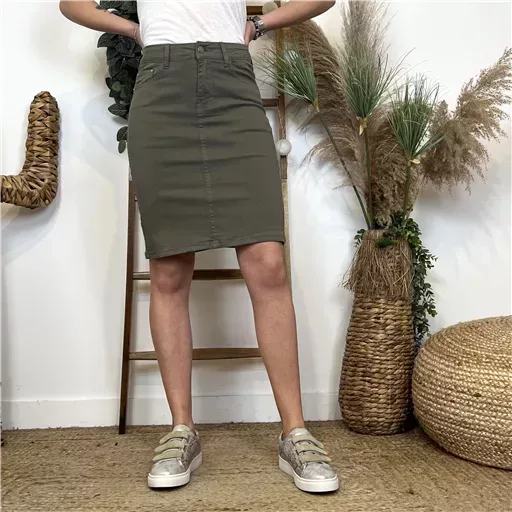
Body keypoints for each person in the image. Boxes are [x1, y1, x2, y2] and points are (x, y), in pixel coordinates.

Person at [60, 0, 338, 494]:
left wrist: (258, 23)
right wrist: (134, 29)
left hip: (233, 84)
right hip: (161, 87)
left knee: (268, 265)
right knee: (168, 270)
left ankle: (295, 433)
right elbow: (71, 4)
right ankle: (181, 430)